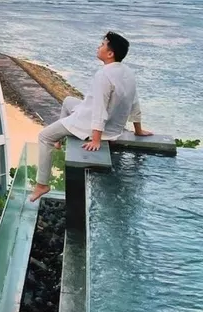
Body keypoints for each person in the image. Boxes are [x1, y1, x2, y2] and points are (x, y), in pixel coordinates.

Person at [29, 31, 152, 202]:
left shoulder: (104, 75)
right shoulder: (128, 72)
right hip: (107, 124)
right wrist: (138, 130)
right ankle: (59, 140)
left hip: (89, 124)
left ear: (110, 54)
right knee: (67, 100)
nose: (98, 47)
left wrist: (96, 140)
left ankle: (42, 184)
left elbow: (99, 110)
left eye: (102, 45)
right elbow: (134, 102)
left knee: (44, 136)